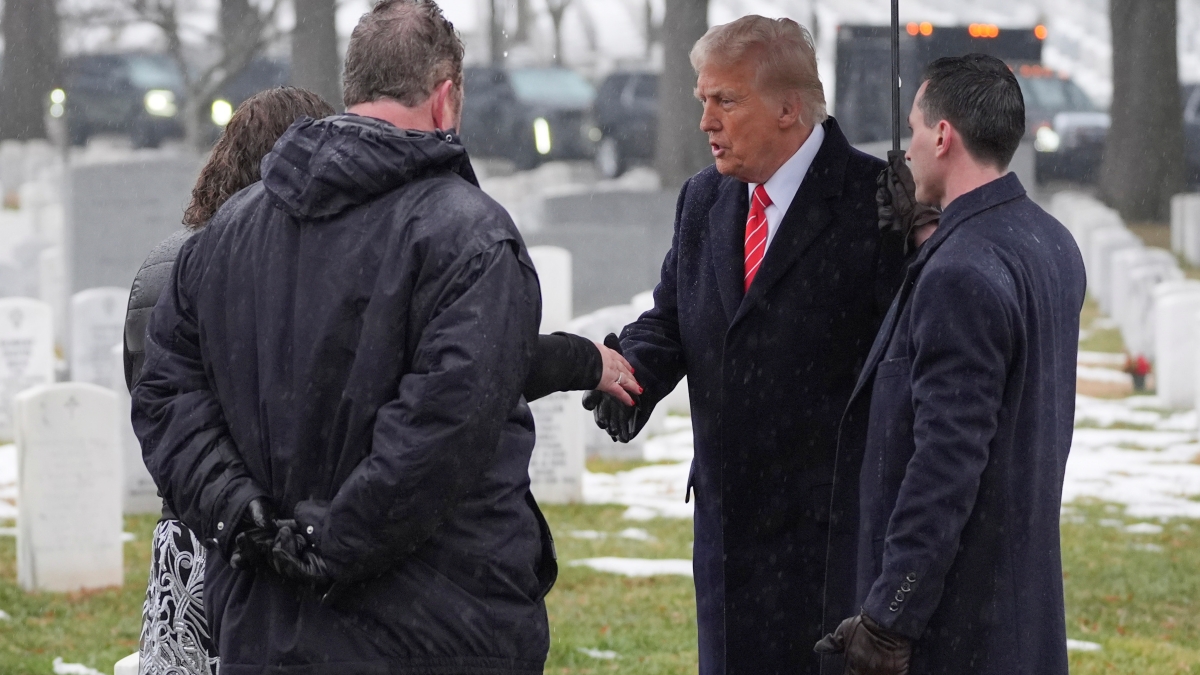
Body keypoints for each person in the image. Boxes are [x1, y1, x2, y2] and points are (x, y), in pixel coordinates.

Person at [131, 2, 637, 672]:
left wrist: (243, 516)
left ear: (355, 89)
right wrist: (323, 542)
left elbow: (166, 398)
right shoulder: (471, 237)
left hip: (269, 625)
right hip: (437, 626)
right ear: (445, 96)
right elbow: (441, 436)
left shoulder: (226, 235)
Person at [585, 15, 931, 675]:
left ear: (787, 108)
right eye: (702, 101)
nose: (706, 121)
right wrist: (633, 375)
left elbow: (907, 362)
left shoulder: (875, 203)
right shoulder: (705, 198)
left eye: (726, 101)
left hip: (828, 536)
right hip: (727, 531)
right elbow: (673, 314)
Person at [816, 54, 1085, 675]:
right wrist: (926, 240)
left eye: (914, 130)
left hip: (959, 627)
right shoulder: (1049, 240)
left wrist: (889, 619)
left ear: (943, 137)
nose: (907, 148)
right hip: (1021, 606)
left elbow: (947, 464)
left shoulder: (961, 271)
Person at [125, 86, 336, 675]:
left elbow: (155, 401)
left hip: (190, 523)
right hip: (264, 532)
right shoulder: (266, 266)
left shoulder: (167, 262)